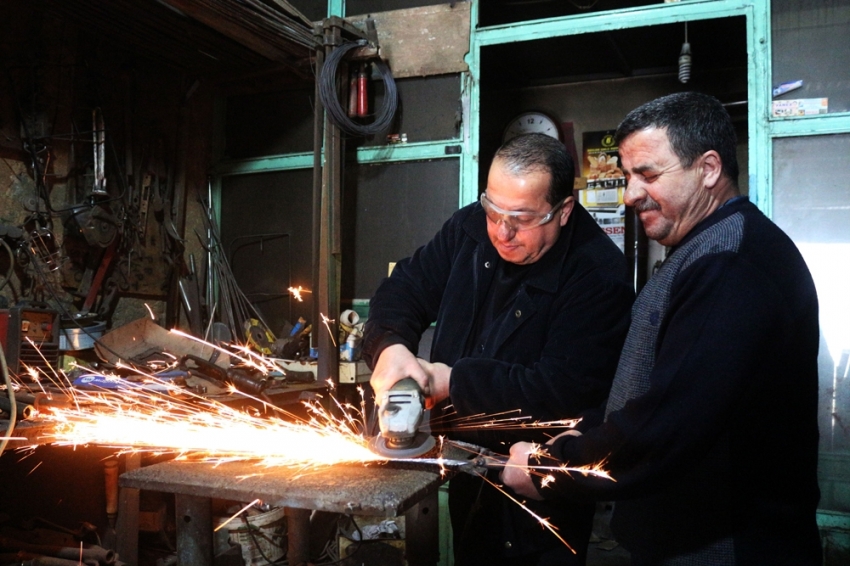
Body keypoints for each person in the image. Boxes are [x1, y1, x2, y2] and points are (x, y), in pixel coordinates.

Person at [503, 92, 823, 565]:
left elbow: (672, 423)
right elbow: (656, 392)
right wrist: (581, 434)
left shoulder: (729, 264)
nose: (631, 194)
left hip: (726, 549)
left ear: (709, 169)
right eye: (629, 177)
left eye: (649, 175)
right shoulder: (706, 250)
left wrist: (551, 469)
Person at [361, 133, 635, 565]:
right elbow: (406, 288)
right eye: (493, 209)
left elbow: (560, 388)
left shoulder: (598, 275)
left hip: (538, 483)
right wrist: (389, 347)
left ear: (563, 211)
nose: (501, 232)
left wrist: (452, 381)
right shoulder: (470, 228)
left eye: (521, 218)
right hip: (466, 465)